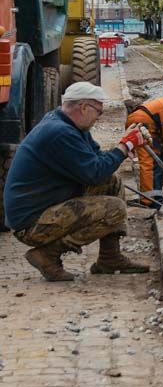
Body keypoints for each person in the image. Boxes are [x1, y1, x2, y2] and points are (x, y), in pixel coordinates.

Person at [3, 82, 150, 281]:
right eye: (98, 111)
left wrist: (124, 146)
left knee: (111, 182)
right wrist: (125, 146)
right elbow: (94, 172)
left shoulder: (68, 125)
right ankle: (47, 255)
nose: (99, 116)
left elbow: (97, 161)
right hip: (31, 223)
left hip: (43, 206)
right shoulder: (60, 133)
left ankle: (110, 258)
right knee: (114, 209)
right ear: (83, 107)